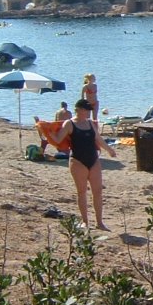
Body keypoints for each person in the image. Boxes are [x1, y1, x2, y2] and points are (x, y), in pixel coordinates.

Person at [51, 99, 117, 230]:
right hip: (77, 161)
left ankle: (99, 222)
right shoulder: (69, 124)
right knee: (82, 192)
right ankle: (85, 221)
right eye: (87, 110)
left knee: (97, 192)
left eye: (89, 110)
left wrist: (109, 150)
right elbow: (58, 139)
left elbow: (98, 138)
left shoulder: (90, 123)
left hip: (93, 159)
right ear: (79, 110)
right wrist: (47, 133)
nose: (88, 113)